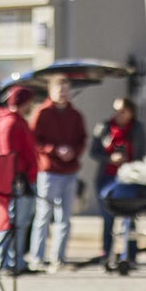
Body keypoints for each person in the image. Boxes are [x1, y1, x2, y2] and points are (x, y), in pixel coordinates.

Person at [29, 76, 87, 272]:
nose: (63, 94)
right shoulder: (42, 113)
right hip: (49, 171)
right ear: (51, 92)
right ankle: (37, 257)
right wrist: (53, 150)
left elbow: (82, 139)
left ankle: (58, 257)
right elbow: (35, 140)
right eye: (59, 90)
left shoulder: (75, 115)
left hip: (69, 171)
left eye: (66, 90)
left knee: (65, 218)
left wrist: (73, 152)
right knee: (44, 215)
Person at [90, 97, 146, 268]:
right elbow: (94, 151)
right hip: (107, 177)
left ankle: (130, 256)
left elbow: (143, 153)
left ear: (131, 112)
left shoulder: (137, 129)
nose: (118, 114)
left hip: (129, 178)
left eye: (122, 111)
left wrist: (129, 162)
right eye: (116, 110)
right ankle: (107, 253)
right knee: (108, 218)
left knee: (130, 218)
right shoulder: (104, 127)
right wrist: (110, 158)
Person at [0, 87, 38, 274]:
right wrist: (20, 176)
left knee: (19, 223)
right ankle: (5, 262)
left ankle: (15, 260)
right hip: (18, 179)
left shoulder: (17, 121)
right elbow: (8, 154)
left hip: (22, 177)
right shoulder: (11, 123)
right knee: (12, 223)